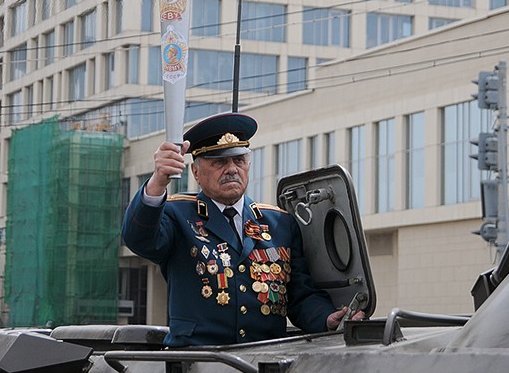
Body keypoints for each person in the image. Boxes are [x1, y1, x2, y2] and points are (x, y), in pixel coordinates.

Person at [122, 112, 362, 346]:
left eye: (239, 160)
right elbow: (139, 239)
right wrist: (157, 183)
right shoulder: (178, 214)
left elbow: (300, 295)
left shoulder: (279, 223)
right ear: (196, 172)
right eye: (219, 162)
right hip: (198, 362)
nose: (231, 169)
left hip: (263, 364)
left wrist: (326, 319)